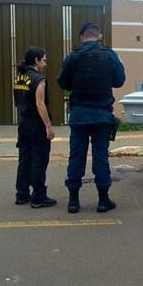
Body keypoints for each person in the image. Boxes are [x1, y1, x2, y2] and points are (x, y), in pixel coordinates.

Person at [57, 23, 125, 214]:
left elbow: (63, 83)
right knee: (100, 156)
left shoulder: (72, 57)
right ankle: (103, 200)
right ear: (100, 36)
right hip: (102, 115)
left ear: (81, 37)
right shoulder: (109, 55)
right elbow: (119, 81)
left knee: (76, 156)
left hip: (79, 115)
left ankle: (73, 201)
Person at [13, 47, 57, 208]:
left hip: (23, 123)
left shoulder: (20, 77)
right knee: (39, 160)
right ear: (36, 61)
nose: (45, 63)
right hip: (37, 125)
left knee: (24, 160)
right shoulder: (39, 79)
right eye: (43, 60)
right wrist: (48, 126)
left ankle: (21, 194)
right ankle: (38, 196)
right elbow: (40, 104)